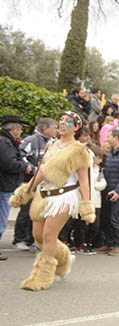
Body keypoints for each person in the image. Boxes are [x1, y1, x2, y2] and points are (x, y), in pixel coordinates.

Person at [9, 111, 93, 289]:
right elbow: (41, 171)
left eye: (68, 121)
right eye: (61, 120)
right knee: (38, 236)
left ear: (76, 127)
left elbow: (84, 180)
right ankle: (65, 258)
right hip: (44, 194)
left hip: (64, 196)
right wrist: (27, 191)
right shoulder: (51, 145)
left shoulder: (79, 150)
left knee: (49, 235)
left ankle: (42, 277)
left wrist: (87, 205)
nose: (62, 123)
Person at [13, 117, 58, 251]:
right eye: (54, 128)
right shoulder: (31, 140)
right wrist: (32, 169)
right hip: (30, 181)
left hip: (44, 183)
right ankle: (19, 239)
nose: (56, 130)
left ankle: (31, 239)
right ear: (45, 129)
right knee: (26, 211)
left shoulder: (52, 142)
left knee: (37, 212)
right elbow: (20, 155)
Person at [0, 115, 36, 260]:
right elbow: (9, 164)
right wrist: (25, 167)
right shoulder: (5, 143)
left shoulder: (6, 141)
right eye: (21, 128)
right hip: (4, 186)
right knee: (1, 220)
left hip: (4, 184)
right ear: (14, 128)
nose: (21, 131)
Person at [94, 130, 119, 256]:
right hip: (107, 189)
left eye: (109, 136)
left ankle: (117, 245)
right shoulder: (111, 152)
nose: (107, 139)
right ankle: (108, 243)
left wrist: (118, 191)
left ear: (116, 138)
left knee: (114, 218)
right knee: (105, 218)